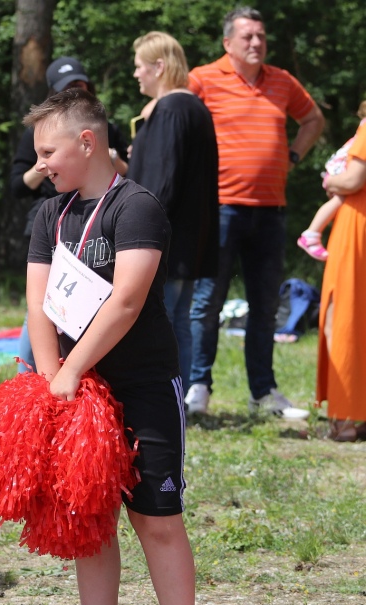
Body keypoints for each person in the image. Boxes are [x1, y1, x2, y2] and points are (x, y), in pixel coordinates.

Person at [24, 88, 213, 605]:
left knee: (157, 522)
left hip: (141, 384)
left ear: (88, 142)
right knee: (91, 518)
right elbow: (38, 304)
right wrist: (54, 377)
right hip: (76, 387)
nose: (42, 164)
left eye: (49, 151)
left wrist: (73, 368)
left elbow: (126, 301)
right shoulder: (48, 214)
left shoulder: (137, 207)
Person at [184, 6, 324, 418]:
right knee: (207, 303)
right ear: (228, 42)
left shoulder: (281, 81)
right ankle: (197, 388)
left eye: (261, 36)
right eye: (247, 37)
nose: (256, 43)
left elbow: (313, 119)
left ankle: (263, 394)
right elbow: (173, 120)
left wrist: (293, 155)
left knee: (265, 307)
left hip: (271, 212)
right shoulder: (203, 78)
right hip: (220, 209)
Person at [11, 57, 131, 372]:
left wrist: (109, 156)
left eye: (82, 85)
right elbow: (17, 186)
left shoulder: (132, 203)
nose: (78, 91)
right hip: (56, 224)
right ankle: (28, 376)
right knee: (44, 307)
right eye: (69, 88)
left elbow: (127, 173)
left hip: (96, 218)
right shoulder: (37, 138)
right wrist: (45, 164)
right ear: (54, 93)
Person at [127, 32, 219, 384]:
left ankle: (162, 394)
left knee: (157, 319)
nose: (136, 74)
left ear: (159, 67)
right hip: (188, 240)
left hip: (161, 242)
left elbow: (160, 184)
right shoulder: (195, 107)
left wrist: (137, 233)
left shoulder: (171, 110)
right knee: (178, 319)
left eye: (139, 66)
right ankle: (177, 392)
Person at [317, 111, 366, 441]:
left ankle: (346, 418)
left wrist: (330, 180)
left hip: (357, 225)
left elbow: (352, 180)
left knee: (344, 318)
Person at [296, 101, 366, 262]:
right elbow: (351, 181)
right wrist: (333, 182)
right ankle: (311, 233)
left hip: (341, 174)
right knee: (339, 199)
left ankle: (312, 233)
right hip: (340, 173)